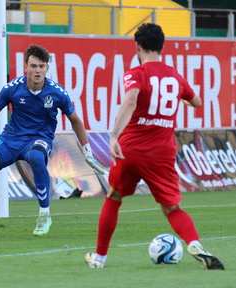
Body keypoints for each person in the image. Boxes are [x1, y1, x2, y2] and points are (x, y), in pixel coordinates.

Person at [84, 23, 225, 270]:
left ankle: (100, 258)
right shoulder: (175, 76)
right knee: (172, 207)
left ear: (137, 46)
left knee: (114, 196)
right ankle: (194, 243)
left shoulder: (135, 73)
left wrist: (114, 136)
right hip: (162, 152)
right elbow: (198, 102)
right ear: (162, 46)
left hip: (131, 149)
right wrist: (178, 98)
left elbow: (130, 101)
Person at [0, 44, 105, 239]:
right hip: (10, 139)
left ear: (47, 68)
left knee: (36, 157)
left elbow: (75, 120)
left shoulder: (57, 92)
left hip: (39, 138)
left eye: (41, 66)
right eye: (33, 65)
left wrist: (87, 152)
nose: (37, 70)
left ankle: (44, 216)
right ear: (25, 66)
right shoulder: (12, 88)